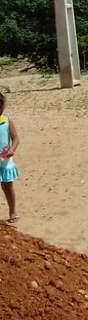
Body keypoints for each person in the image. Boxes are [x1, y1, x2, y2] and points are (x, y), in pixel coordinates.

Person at [0, 93, 19, 224]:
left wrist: (12, 149)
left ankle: (13, 210)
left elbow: (16, 138)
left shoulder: (6, 121)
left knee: (7, 187)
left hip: (5, 162)